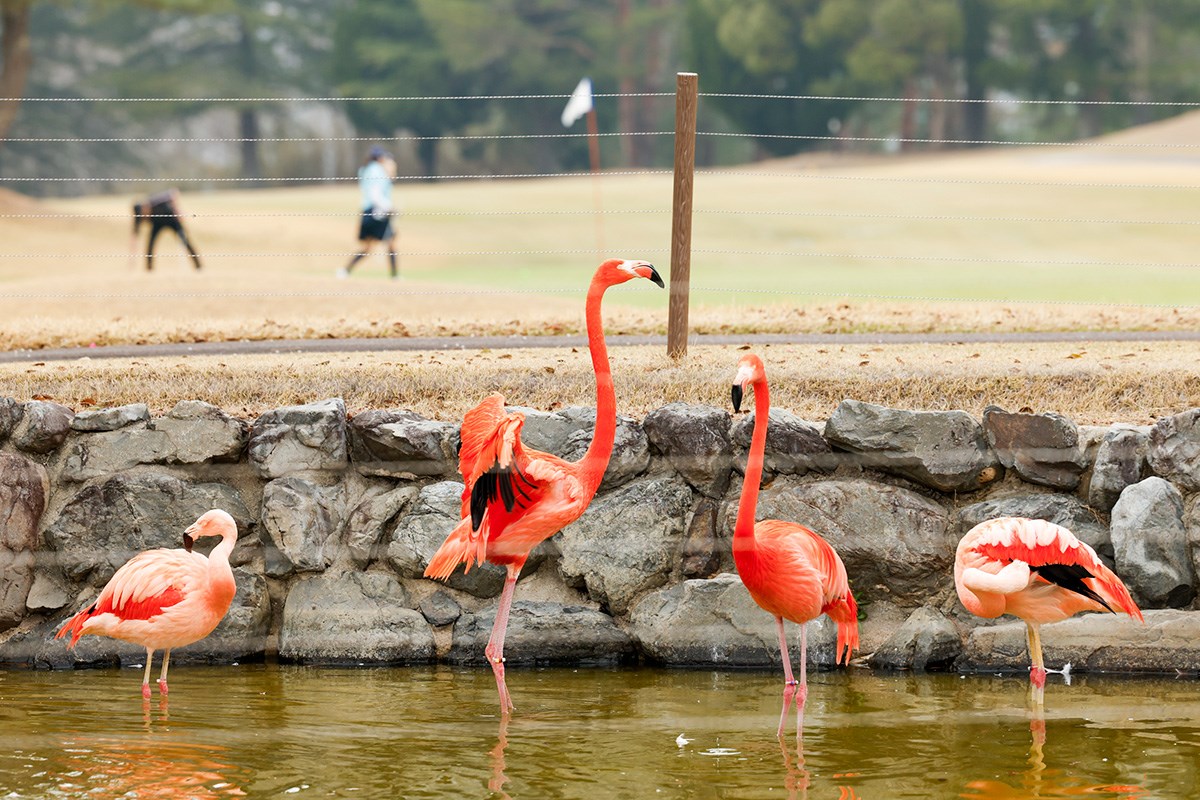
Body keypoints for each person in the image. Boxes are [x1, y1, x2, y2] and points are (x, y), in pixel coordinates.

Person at [339, 145, 399, 279]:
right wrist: (388, 207)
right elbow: (375, 193)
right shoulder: (377, 170)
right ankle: (395, 276)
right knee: (389, 243)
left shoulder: (366, 170)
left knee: (369, 246)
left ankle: (345, 271)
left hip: (368, 210)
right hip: (377, 211)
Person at [131, 188, 201, 271]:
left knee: (185, 241)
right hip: (157, 224)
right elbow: (135, 234)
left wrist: (177, 211)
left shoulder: (154, 200)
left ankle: (198, 266)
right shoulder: (139, 216)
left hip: (172, 219)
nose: (144, 216)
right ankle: (149, 269)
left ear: (145, 206)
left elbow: (174, 192)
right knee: (150, 244)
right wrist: (131, 257)